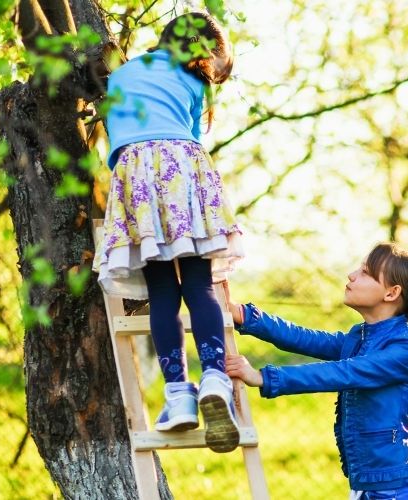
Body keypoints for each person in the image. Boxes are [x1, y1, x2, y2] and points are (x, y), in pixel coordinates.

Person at [92, 12, 242, 452]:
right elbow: (194, 138)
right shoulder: (194, 83)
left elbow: (115, 141)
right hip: (184, 174)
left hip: (135, 179)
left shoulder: (119, 77)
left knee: (162, 293)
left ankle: (178, 394)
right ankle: (214, 375)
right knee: (199, 284)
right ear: (204, 52)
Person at [225, 243, 408, 500]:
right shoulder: (359, 338)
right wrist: (246, 316)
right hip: (370, 489)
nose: (351, 275)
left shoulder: (405, 349)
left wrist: (263, 377)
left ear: (392, 293)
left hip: (397, 492)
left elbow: (342, 372)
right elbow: (304, 338)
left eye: (366, 273)